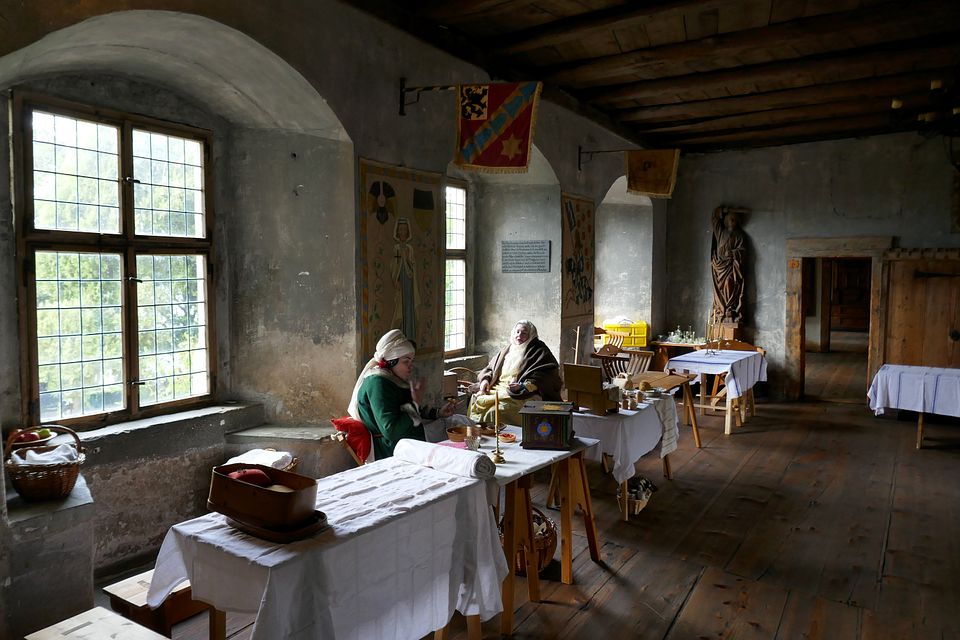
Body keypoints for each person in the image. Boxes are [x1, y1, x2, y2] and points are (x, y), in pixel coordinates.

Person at [348, 329, 457, 459]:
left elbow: (405, 409)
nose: (410, 366)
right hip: (392, 448)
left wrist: (437, 413)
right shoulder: (377, 383)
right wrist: (415, 402)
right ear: (391, 361)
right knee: (453, 436)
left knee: (457, 422)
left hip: (408, 439)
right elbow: (391, 431)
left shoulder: (391, 378)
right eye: (406, 361)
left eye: (411, 361)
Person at [468, 320, 562, 426]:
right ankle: (480, 436)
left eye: (524, 333)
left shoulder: (539, 350)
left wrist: (523, 386)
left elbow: (546, 374)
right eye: (517, 332)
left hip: (520, 392)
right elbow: (490, 368)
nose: (519, 336)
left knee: (496, 411)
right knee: (475, 399)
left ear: (531, 335)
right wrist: (485, 380)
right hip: (496, 387)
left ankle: (505, 439)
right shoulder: (507, 349)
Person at [710, 206, 746, 324]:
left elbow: (742, 250)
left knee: (730, 283)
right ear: (726, 221)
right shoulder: (721, 232)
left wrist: (732, 253)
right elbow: (714, 220)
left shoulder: (739, 235)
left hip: (731, 265)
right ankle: (721, 309)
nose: (733, 222)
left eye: (735, 220)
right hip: (720, 266)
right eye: (731, 219)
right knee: (719, 288)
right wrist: (722, 210)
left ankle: (730, 308)